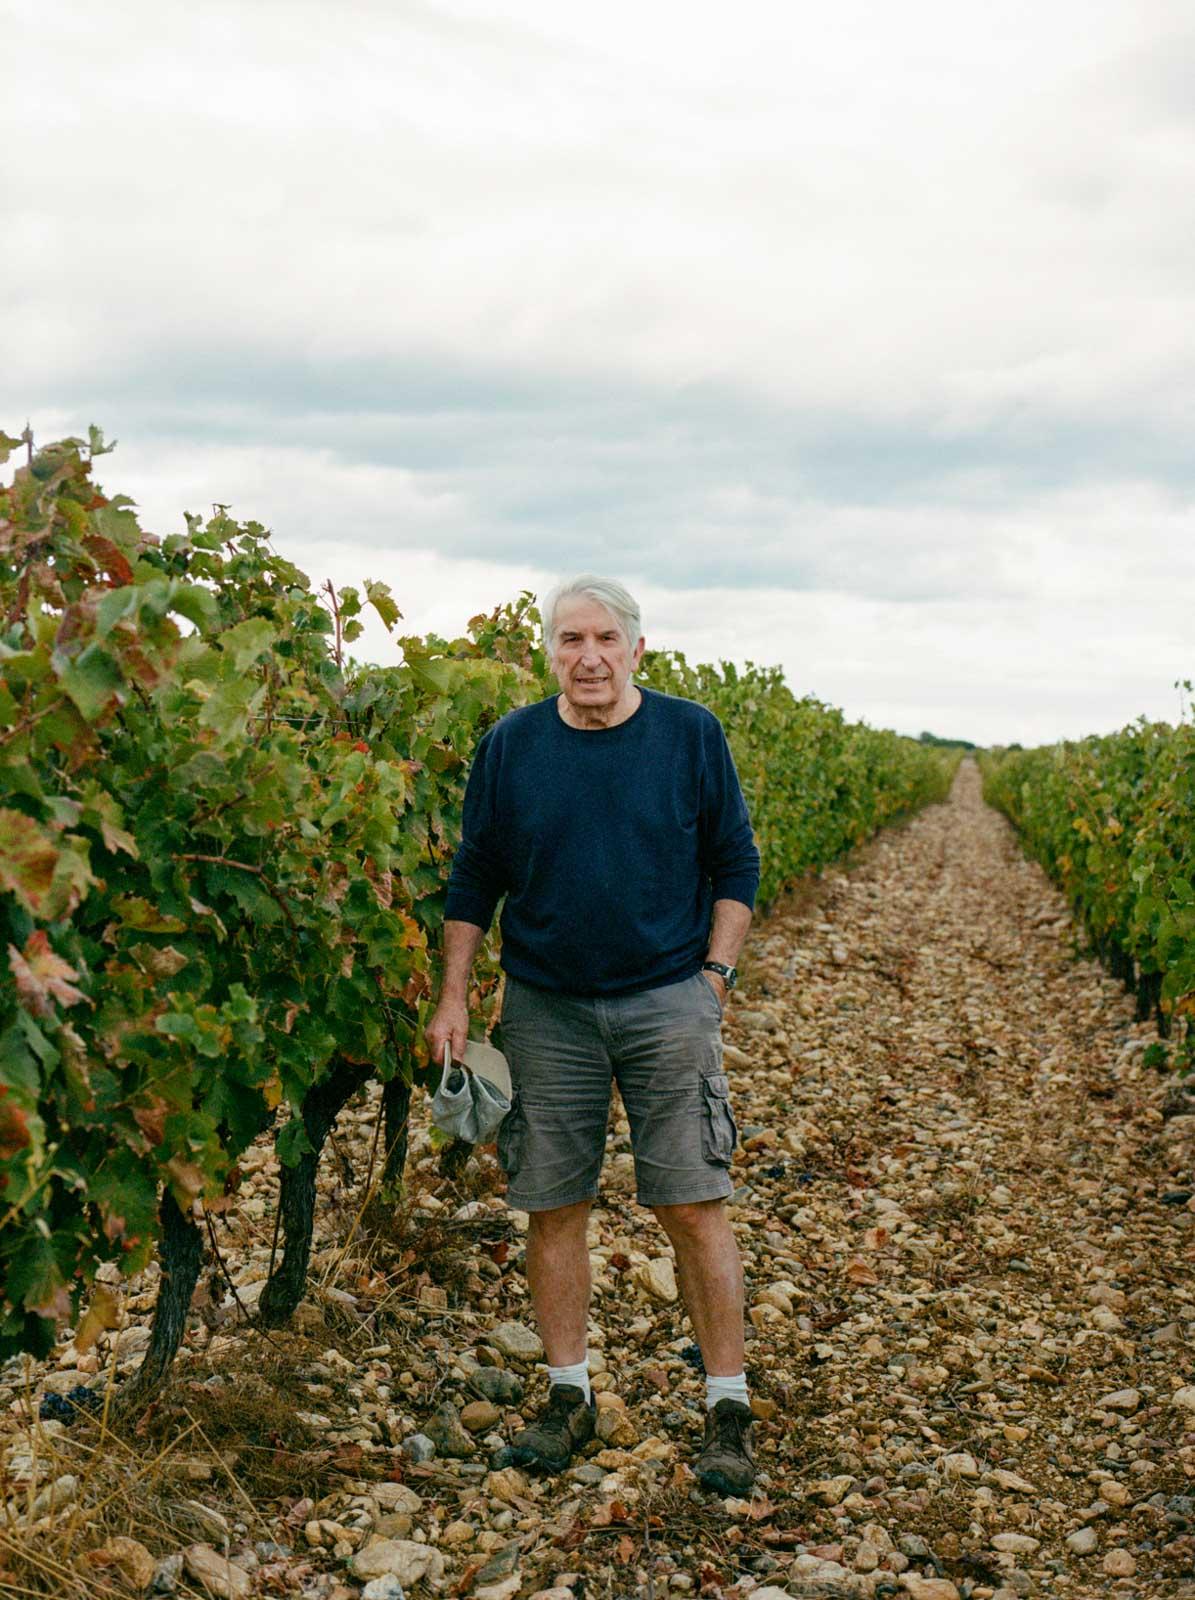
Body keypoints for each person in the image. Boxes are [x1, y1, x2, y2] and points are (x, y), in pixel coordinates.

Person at [424, 574, 760, 1494]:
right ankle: (567, 1396)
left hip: (666, 1003)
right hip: (544, 1010)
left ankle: (726, 1404)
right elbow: (472, 878)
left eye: (605, 639)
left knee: (693, 1203)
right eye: (570, 641)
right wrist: (454, 996)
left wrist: (713, 978)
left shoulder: (690, 734)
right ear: (550, 655)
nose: (589, 658)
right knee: (553, 1203)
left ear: (637, 649)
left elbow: (734, 860)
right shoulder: (511, 746)